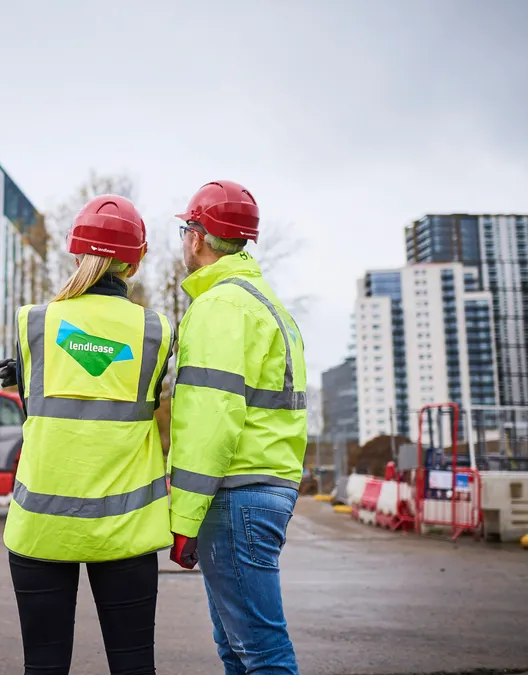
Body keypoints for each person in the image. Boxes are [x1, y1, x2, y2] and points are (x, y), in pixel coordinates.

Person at [0, 194, 176, 675]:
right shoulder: (156, 331)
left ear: (78, 252)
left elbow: (34, 408)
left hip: (41, 525)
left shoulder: (35, 322)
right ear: (134, 262)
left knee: (45, 665)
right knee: (134, 664)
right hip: (126, 528)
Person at [166, 180, 308, 674]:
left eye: (187, 229)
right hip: (268, 485)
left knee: (261, 654)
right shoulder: (267, 303)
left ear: (198, 237)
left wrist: (183, 521)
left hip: (235, 495)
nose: (185, 239)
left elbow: (210, 422)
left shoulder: (218, 307)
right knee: (239, 650)